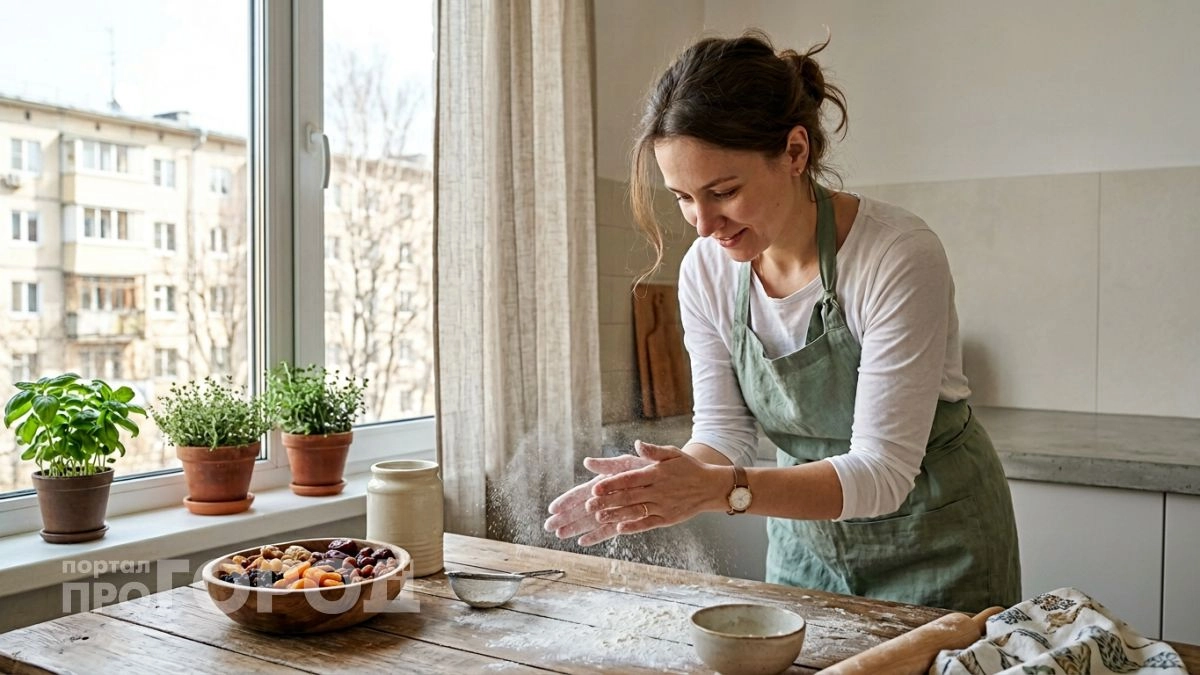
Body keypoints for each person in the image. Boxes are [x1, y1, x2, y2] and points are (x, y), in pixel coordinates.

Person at [543, 30, 1021, 613]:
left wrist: (718, 490)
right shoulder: (707, 271)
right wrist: (663, 483)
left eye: (723, 191)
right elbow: (723, 433)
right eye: (683, 197)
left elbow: (883, 472)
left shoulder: (896, 254)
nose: (702, 223)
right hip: (806, 545)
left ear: (795, 152)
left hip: (938, 542)